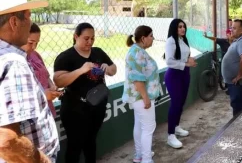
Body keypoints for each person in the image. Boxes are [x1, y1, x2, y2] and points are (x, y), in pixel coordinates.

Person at [0, 0, 59, 163]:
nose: (31, 22)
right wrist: (43, 161)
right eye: (29, 15)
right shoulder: (12, 61)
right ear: (14, 21)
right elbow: (6, 140)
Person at [54, 22, 117, 163]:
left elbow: (113, 69)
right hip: (74, 108)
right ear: (76, 36)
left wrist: (108, 68)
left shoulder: (98, 52)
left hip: (97, 105)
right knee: (75, 145)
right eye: (86, 38)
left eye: (93, 38)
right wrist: (81, 70)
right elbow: (58, 81)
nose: (90, 42)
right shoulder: (66, 57)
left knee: (91, 141)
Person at [122, 26, 159, 163]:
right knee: (148, 128)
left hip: (138, 97)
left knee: (140, 126)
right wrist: (145, 97)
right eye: (151, 36)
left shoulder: (137, 51)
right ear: (143, 38)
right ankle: (147, 159)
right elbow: (137, 78)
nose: (153, 38)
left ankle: (139, 155)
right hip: (141, 97)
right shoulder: (137, 53)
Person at [164, 19, 196, 149]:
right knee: (176, 104)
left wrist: (189, 60)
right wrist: (186, 64)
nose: (183, 29)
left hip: (184, 74)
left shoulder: (183, 39)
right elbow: (169, 61)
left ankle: (176, 127)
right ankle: (170, 135)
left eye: (183, 27)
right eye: (179, 27)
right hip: (174, 75)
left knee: (181, 102)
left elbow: (183, 56)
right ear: (174, 28)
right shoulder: (171, 40)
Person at [22, 23, 61, 117]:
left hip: (46, 109)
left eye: (37, 43)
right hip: (31, 113)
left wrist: (52, 86)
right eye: (30, 42)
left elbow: (46, 75)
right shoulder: (15, 61)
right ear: (20, 38)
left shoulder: (35, 55)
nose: (34, 47)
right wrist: (43, 95)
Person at [221, 19, 242, 117]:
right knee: (238, 106)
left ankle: (238, 130)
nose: (231, 30)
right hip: (236, 83)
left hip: (239, 83)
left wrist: (239, 75)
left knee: (238, 109)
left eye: (234, 28)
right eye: (232, 28)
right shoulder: (238, 41)